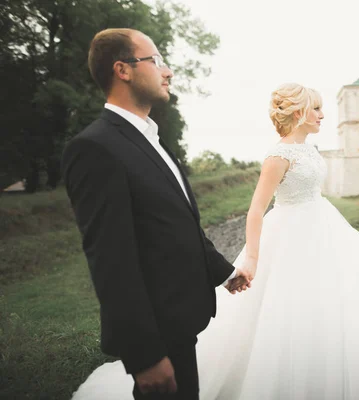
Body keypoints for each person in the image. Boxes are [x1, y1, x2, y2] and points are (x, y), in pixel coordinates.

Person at [71, 83, 359, 400]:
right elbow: (255, 211)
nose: (322, 115)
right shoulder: (277, 155)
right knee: (288, 306)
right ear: (298, 112)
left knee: (337, 297)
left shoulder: (310, 149)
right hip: (291, 233)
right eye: (316, 109)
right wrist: (252, 257)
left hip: (325, 226)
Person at [63, 28, 250, 400]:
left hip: (182, 322)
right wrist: (144, 355)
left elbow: (176, 222)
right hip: (157, 335)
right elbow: (111, 260)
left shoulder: (152, 139)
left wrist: (223, 271)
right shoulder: (95, 148)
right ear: (123, 70)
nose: (168, 72)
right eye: (156, 60)